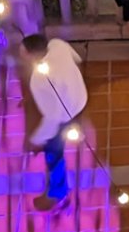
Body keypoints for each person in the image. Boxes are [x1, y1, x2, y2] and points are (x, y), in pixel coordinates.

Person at [8, 33, 88, 211]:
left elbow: (53, 118)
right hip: (80, 99)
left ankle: (57, 192)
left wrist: (37, 140)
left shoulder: (40, 80)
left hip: (65, 114)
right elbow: (78, 59)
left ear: (32, 55)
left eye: (23, 51)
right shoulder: (58, 44)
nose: (20, 53)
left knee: (53, 153)